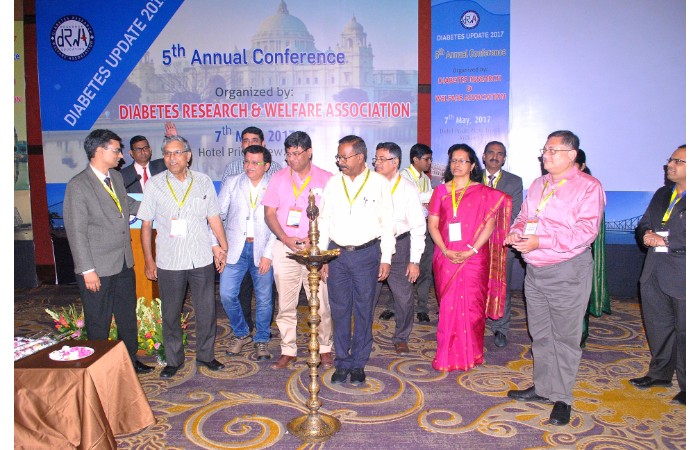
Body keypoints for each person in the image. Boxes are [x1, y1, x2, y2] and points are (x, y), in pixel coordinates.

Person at [505, 130, 605, 426]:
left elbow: (586, 232)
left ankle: (562, 397)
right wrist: (516, 232)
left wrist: (541, 241)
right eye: (544, 150)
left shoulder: (588, 187)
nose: (545, 156)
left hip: (567, 270)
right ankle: (543, 387)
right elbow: (525, 218)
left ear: (571, 155)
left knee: (565, 337)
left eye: (552, 150)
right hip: (535, 270)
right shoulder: (539, 184)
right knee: (540, 334)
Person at [63, 129, 154, 374]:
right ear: (99, 151)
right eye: (116, 150)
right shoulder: (79, 185)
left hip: (123, 262)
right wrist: (87, 270)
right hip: (97, 268)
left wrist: (159, 208)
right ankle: (99, 366)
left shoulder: (115, 177)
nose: (121, 155)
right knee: (98, 320)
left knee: (126, 315)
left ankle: (130, 359)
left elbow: (128, 204)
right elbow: (76, 232)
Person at [138, 135, 228, 379]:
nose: (172, 158)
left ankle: (206, 356)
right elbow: (146, 225)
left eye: (177, 152)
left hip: (200, 257)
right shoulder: (155, 184)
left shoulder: (203, 181)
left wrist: (223, 246)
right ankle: (173, 360)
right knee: (170, 313)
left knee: (206, 310)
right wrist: (149, 260)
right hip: (170, 260)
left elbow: (213, 217)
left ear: (188, 156)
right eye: (167, 153)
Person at [318, 135, 395, 386]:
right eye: (338, 157)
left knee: (363, 309)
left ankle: (359, 362)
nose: (340, 161)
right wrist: (323, 256)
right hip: (337, 255)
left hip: (367, 255)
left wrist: (386, 257)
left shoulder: (379, 183)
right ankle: (342, 361)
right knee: (339, 309)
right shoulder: (333, 183)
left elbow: (388, 223)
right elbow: (324, 221)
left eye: (344, 157)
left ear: (360, 157)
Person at [428, 144, 511, 373]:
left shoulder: (484, 193)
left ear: (473, 165)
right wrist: (445, 250)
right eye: (453, 160)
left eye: (462, 160)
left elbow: (490, 224)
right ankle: (446, 355)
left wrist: (472, 250)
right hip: (446, 256)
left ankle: (472, 354)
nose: (457, 165)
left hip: (474, 258)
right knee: (448, 307)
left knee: (472, 308)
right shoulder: (440, 191)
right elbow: (433, 225)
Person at [262, 131, 335, 370]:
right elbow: (269, 214)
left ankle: (324, 347)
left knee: (321, 302)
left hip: (316, 250)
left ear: (309, 152)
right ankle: (288, 349)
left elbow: (332, 217)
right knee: (285, 303)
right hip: (285, 249)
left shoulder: (327, 179)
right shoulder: (278, 178)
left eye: (296, 153)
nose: (291, 159)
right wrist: (285, 238)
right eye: (288, 154)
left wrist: (318, 245)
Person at [629, 144, 685, 405]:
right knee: (658, 327)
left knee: (687, 332)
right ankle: (660, 374)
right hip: (654, 271)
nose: (669, 165)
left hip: (684, 274)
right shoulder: (664, 193)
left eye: (678, 161)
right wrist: (646, 235)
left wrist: (668, 241)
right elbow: (644, 223)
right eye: (670, 160)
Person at [220, 126, 282, 334]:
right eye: (247, 162)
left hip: (262, 248)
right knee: (227, 294)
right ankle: (241, 331)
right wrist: (217, 245)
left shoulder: (274, 185)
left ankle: (262, 337)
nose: (249, 166)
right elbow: (217, 216)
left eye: (255, 163)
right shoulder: (232, 182)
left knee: (264, 299)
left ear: (266, 166)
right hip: (235, 249)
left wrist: (268, 254)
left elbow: (277, 223)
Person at [372, 142, 426, 354]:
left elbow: (418, 227)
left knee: (403, 297)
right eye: (375, 158)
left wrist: (414, 261)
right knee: (367, 295)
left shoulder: (407, 188)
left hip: (399, 247)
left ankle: (401, 336)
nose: (377, 163)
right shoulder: (369, 184)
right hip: (372, 246)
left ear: (395, 162)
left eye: (382, 159)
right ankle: (363, 335)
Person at [380, 143, 435, 323]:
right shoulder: (403, 177)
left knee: (421, 270)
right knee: (397, 276)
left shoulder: (424, 179)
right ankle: (392, 307)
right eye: (426, 159)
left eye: (430, 159)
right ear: (415, 159)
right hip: (397, 236)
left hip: (419, 229)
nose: (429, 163)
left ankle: (422, 307)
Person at [481, 141, 523, 348]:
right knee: (475, 286)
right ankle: (476, 323)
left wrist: (493, 232)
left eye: (500, 154)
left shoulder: (514, 182)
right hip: (474, 245)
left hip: (502, 243)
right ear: (483, 156)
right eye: (491, 152)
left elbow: (515, 214)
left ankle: (500, 328)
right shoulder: (471, 178)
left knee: (501, 286)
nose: (495, 156)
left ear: (504, 158)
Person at [574, 149, 610, 348]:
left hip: (583, 251)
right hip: (555, 256)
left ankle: (580, 335)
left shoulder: (591, 189)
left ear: (582, 166)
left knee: (581, 296)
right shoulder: (550, 186)